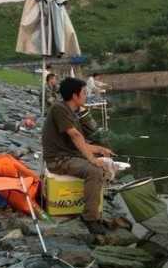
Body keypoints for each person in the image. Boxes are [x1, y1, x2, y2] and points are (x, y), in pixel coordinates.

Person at [42, 77, 115, 234]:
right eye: (84, 93)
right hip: (58, 160)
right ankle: (90, 219)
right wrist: (92, 158)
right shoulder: (59, 108)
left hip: (68, 155)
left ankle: (95, 206)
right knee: (94, 171)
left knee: (104, 163)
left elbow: (78, 142)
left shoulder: (71, 112)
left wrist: (99, 149)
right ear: (75, 96)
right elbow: (75, 135)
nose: (86, 96)